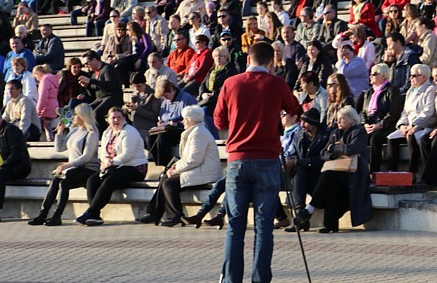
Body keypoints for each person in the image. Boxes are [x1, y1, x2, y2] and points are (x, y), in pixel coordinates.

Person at [214, 41, 300, 283]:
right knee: (264, 227)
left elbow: (219, 121)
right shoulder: (277, 83)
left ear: (248, 59)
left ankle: (231, 279)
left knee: (235, 227)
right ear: (271, 62)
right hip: (267, 159)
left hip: (238, 159)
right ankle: (260, 279)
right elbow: (295, 109)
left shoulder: (231, 83)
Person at [136, 105, 221, 227]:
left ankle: (175, 216)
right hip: (198, 169)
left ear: (192, 120)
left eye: (185, 119)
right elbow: (187, 159)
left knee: (169, 183)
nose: (183, 121)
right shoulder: (193, 132)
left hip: (206, 173)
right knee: (165, 177)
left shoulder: (199, 133)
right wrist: (173, 168)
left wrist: (177, 170)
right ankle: (154, 213)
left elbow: (194, 160)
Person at [294, 105, 372, 233]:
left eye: (342, 119)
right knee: (330, 183)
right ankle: (330, 225)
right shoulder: (335, 132)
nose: (338, 121)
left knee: (328, 176)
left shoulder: (359, 131)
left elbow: (352, 149)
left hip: (354, 174)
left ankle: (309, 210)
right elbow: (323, 153)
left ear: (352, 120)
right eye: (338, 119)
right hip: (338, 171)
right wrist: (335, 152)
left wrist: (334, 149)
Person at [27, 103, 100, 226]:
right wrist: (59, 133)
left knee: (64, 184)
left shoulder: (91, 133)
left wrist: (66, 165)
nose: (74, 117)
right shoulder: (74, 131)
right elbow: (59, 148)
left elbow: (87, 157)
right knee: (55, 181)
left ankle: (57, 216)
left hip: (88, 168)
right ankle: (43, 214)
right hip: (74, 169)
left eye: (76, 114)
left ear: (83, 116)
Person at [76, 107, 148, 226]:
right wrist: (105, 160)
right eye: (113, 118)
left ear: (124, 118)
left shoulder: (129, 131)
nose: (116, 120)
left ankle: (90, 212)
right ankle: (95, 215)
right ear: (108, 120)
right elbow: (103, 152)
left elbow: (127, 155)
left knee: (109, 181)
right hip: (114, 167)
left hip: (135, 167)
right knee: (92, 180)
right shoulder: (107, 133)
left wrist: (111, 162)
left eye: (119, 117)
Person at [386, 63, 436, 177]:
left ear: (423, 77)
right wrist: (402, 124)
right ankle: (391, 172)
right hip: (409, 124)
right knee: (391, 138)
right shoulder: (410, 91)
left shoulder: (430, 90)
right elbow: (405, 112)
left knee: (412, 136)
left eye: (414, 76)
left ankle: (411, 173)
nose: (410, 78)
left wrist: (413, 124)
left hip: (424, 124)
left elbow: (428, 112)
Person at [356, 63, 402, 173]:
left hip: (387, 125)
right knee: (358, 138)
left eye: (374, 74)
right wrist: (365, 124)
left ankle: (374, 172)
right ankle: (359, 172)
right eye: (370, 74)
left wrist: (380, 125)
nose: (370, 76)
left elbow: (394, 113)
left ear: (383, 76)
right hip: (370, 124)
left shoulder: (392, 90)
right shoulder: (368, 92)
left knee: (375, 139)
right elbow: (363, 112)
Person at [0, 108, 32, 223]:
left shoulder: (11, 130)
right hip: (0, 166)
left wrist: (2, 167)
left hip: (19, 167)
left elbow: (16, 153)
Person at [149, 78, 198, 166]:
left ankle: (165, 165)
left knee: (162, 138)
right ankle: (158, 164)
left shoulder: (186, 99)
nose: (165, 99)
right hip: (166, 128)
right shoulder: (165, 101)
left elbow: (192, 119)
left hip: (181, 128)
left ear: (172, 90)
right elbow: (162, 116)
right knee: (150, 138)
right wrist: (161, 122)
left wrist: (176, 123)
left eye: (166, 95)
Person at [79, 51, 124, 132]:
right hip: (100, 99)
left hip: (112, 97)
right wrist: (86, 87)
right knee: (85, 110)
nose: (86, 66)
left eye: (87, 63)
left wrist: (92, 81)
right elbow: (92, 95)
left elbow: (110, 85)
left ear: (94, 60)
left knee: (96, 113)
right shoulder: (93, 74)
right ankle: (91, 132)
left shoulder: (108, 69)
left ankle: (103, 134)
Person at [125, 72, 162, 142]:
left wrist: (137, 109)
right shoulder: (135, 95)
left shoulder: (153, 95)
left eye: (139, 86)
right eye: (134, 86)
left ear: (144, 83)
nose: (136, 89)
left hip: (146, 128)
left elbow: (154, 116)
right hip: (134, 126)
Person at [33, 64, 59, 141]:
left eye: (35, 76)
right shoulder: (53, 79)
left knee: (46, 124)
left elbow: (42, 97)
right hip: (54, 104)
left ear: (38, 73)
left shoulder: (44, 81)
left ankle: (49, 140)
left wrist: (38, 110)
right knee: (48, 124)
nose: (36, 79)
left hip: (47, 106)